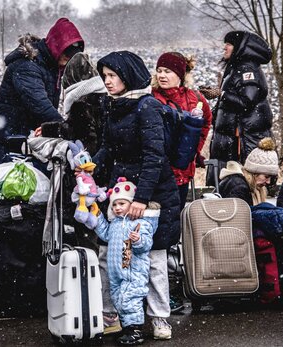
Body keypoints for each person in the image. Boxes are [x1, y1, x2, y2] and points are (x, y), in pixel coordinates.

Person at [94, 51, 180, 341]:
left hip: (153, 195)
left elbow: (154, 156)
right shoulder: (112, 105)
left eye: (112, 76)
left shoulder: (147, 107)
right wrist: (88, 171)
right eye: (104, 76)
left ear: (126, 76)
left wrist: (141, 199)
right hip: (119, 190)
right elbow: (108, 147)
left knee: (152, 257)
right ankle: (113, 314)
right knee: (109, 254)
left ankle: (159, 318)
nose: (106, 82)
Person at [39, 52, 119, 334]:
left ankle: (95, 305)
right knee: (109, 242)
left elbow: (76, 133)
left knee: (91, 241)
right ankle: (114, 307)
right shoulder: (106, 99)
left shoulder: (81, 102)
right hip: (110, 182)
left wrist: (48, 130)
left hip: (89, 183)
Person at [0, 17, 84, 181]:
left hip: (27, 142)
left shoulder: (52, 66)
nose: (67, 62)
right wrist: (64, 128)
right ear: (56, 48)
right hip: (9, 144)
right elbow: (40, 105)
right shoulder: (27, 66)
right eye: (65, 56)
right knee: (5, 193)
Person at [94, 178, 158, 345]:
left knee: (130, 299)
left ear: (132, 204)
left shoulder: (140, 223)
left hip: (133, 270)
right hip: (116, 270)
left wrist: (137, 240)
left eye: (122, 203)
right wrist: (96, 217)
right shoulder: (115, 223)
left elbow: (146, 245)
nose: (117, 208)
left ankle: (135, 329)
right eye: (114, 205)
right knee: (118, 299)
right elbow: (106, 234)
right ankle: (126, 327)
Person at [204, 31, 273, 184]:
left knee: (238, 183)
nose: (225, 47)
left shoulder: (247, 70)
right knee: (230, 182)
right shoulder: (237, 68)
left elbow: (246, 102)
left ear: (240, 47)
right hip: (231, 138)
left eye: (229, 44)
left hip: (240, 139)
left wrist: (220, 94)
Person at [152, 52, 212, 210]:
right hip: (157, 172)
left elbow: (205, 122)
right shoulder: (151, 98)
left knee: (175, 219)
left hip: (182, 173)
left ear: (180, 74)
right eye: (159, 71)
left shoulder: (196, 99)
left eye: (167, 71)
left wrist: (194, 149)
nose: (162, 76)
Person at [218, 137, 278, 206]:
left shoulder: (245, 184)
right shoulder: (239, 187)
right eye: (266, 176)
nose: (268, 182)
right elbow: (242, 216)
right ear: (254, 173)